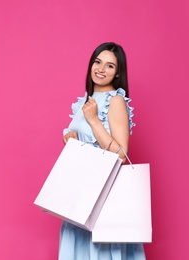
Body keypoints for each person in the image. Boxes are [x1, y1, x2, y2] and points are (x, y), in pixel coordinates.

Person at [59, 42, 146, 259]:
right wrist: (71, 140)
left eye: (109, 66)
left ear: (118, 74)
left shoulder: (115, 101)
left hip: (102, 193)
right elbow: (88, 145)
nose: (101, 69)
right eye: (98, 62)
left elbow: (120, 153)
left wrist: (94, 121)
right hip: (80, 190)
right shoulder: (85, 102)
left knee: (100, 248)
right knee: (79, 243)